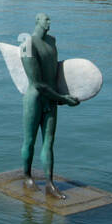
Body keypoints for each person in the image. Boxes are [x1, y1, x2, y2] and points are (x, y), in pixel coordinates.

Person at [20, 13, 79, 199]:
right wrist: (63, 98)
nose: (49, 22)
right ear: (37, 21)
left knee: (49, 143)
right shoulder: (27, 45)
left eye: (50, 19)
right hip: (35, 99)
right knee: (29, 140)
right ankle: (27, 176)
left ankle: (49, 183)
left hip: (51, 98)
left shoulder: (52, 42)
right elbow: (37, 83)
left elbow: (56, 71)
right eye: (46, 19)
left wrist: (63, 95)